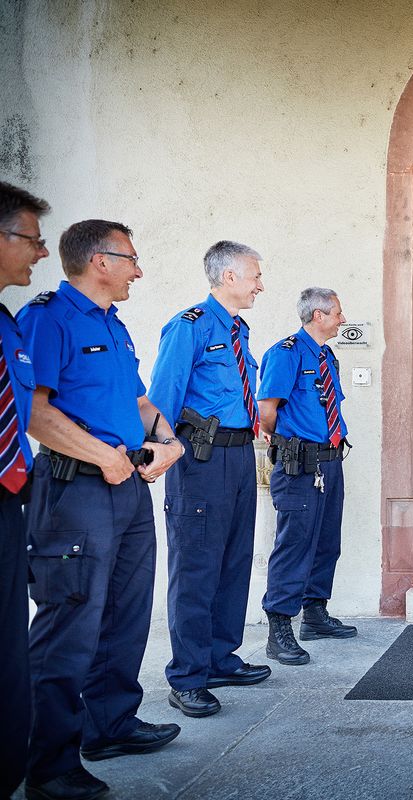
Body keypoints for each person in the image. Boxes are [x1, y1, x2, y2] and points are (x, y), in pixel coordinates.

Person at [19, 220, 184, 800]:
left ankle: (110, 725)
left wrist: (169, 440)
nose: (139, 269)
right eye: (131, 259)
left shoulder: (114, 325)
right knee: (70, 621)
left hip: (128, 488)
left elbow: (138, 401)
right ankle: (48, 765)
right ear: (99, 261)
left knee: (126, 612)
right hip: (77, 491)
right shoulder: (47, 318)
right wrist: (103, 458)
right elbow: (33, 411)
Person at [147, 241, 271, 719]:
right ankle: (188, 676)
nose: (261, 284)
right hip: (200, 460)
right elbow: (163, 399)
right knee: (197, 567)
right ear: (228, 278)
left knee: (234, 563)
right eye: (255, 275)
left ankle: (220, 657)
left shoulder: (238, 330)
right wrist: (161, 452)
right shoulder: (189, 327)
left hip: (240, 457)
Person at [257, 287, 355, 666]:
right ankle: (279, 628)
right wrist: (282, 438)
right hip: (300, 465)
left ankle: (315, 614)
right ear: (318, 315)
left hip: (330, 461)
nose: (342, 320)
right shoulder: (285, 353)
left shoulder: (327, 356)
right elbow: (267, 408)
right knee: (294, 544)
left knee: (327, 541)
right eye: (337, 313)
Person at [0, 181, 49, 800]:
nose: (39, 253)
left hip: (12, 497)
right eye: (31, 240)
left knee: (11, 643)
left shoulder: (9, 325)